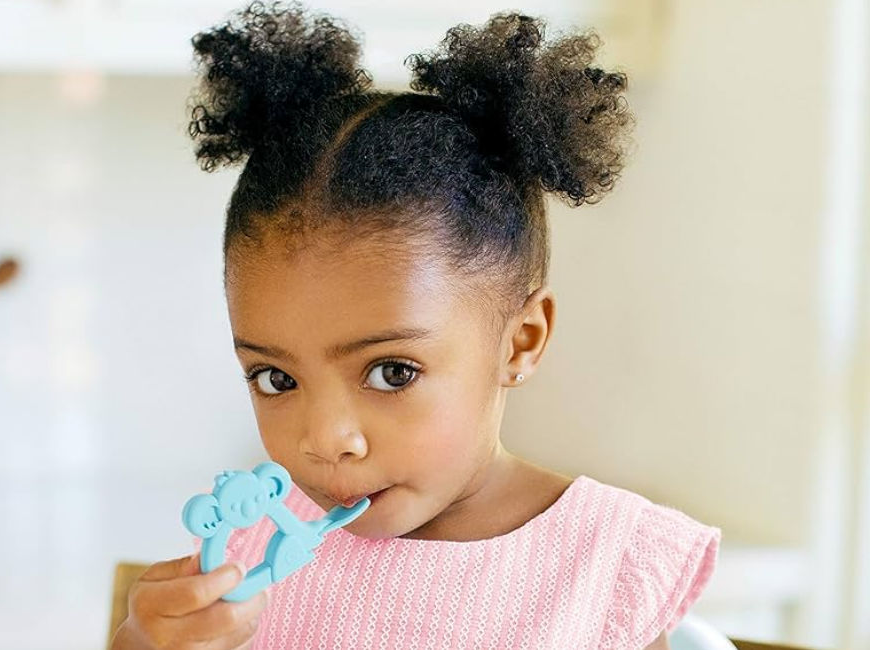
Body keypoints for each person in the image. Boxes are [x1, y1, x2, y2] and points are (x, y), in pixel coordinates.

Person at [111, 2, 720, 649]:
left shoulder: (605, 568)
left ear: (521, 340)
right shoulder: (250, 549)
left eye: (391, 372)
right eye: (275, 377)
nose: (327, 439)